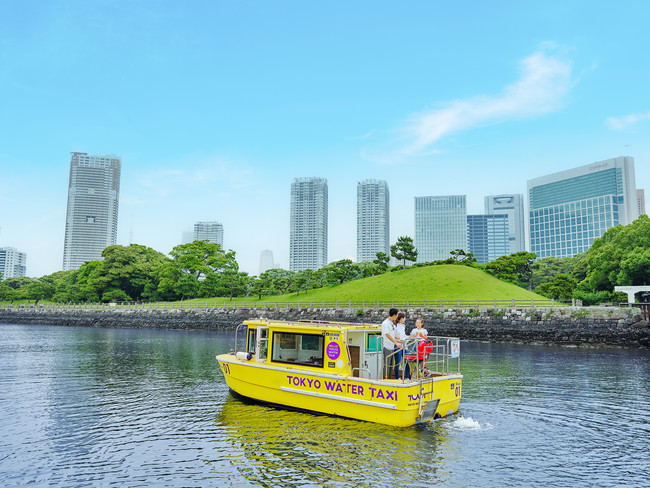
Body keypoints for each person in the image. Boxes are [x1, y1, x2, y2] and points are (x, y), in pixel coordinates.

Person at [381, 308, 400, 379]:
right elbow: (387, 334)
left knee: (391, 365)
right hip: (386, 346)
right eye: (397, 314)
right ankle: (385, 379)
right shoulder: (385, 323)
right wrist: (395, 342)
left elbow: (393, 334)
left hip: (392, 346)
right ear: (394, 315)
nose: (398, 316)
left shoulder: (391, 323)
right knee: (386, 364)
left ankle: (389, 378)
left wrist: (398, 340)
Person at [394, 312, 407, 379]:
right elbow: (393, 337)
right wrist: (399, 341)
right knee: (397, 363)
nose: (405, 319)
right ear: (401, 318)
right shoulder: (394, 326)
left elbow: (403, 335)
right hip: (398, 345)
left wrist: (409, 337)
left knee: (408, 360)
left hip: (404, 345)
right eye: (404, 318)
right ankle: (397, 377)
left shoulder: (403, 326)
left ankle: (407, 377)